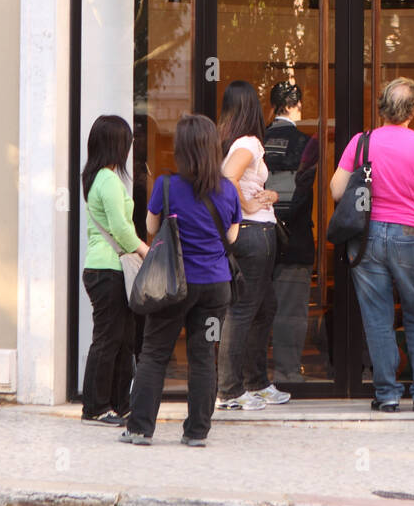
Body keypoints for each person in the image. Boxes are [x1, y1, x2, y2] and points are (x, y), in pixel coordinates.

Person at [120, 113, 239, 447]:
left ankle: (140, 428)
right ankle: (197, 432)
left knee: (155, 352)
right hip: (216, 287)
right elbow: (231, 237)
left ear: (182, 150)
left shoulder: (166, 185)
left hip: (173, 284)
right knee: (204, 356)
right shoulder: (227, 189)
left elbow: (152, 228)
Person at [329, 77, 414, 412]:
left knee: (377, 317)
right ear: (412, 111)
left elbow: (337, 191)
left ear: (381, 108)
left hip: (366, 238)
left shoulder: (361, 143)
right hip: (411, 235)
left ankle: (387, 395)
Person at [216, 80, 290, 409]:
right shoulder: (249, 143)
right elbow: (228, 177)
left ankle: (255, 382)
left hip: (256, 231)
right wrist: (246, 206)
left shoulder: (232, 141)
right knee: (244, 311)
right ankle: (231, 390)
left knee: (263, 308)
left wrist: (268, 196)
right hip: (253, 233)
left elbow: (241, 180)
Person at [81, 115, 149, 426]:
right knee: (108, 339)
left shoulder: (100, 177)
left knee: (122, 339)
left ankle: (120, 405)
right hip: (106, 269)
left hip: (110, 269)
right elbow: (121, 228)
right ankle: (95, 407)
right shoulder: (107, 180)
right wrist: (145, 251)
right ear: (116, 146)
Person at [265, 82, 317, 382]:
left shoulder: (257, 140)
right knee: (292, 312)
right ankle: (287, 372)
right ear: (297, 107)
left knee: (254, 309)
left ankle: (254, 373)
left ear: (272, 106)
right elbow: (303, 192)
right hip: (295, 239)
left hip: (257, 236)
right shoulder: (307, 143)